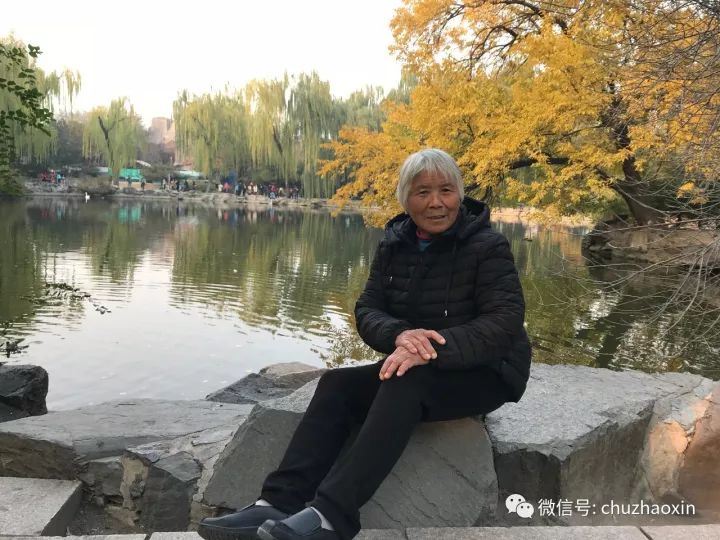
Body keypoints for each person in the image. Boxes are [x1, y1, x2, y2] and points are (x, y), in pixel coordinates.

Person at [198, 148, 532, 540]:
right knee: (337, 384)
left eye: (446, 190)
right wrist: (399, 335)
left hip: (487, 371)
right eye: (423, 192)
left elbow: (504, 321)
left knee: (405, 383)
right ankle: (279, 502)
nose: (436, 202)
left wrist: (428, 349)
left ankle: (331, 518)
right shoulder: (395, 244)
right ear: (404, 198)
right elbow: (369, 309)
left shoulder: (487, 246)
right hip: (420, 365)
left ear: (460, 194)